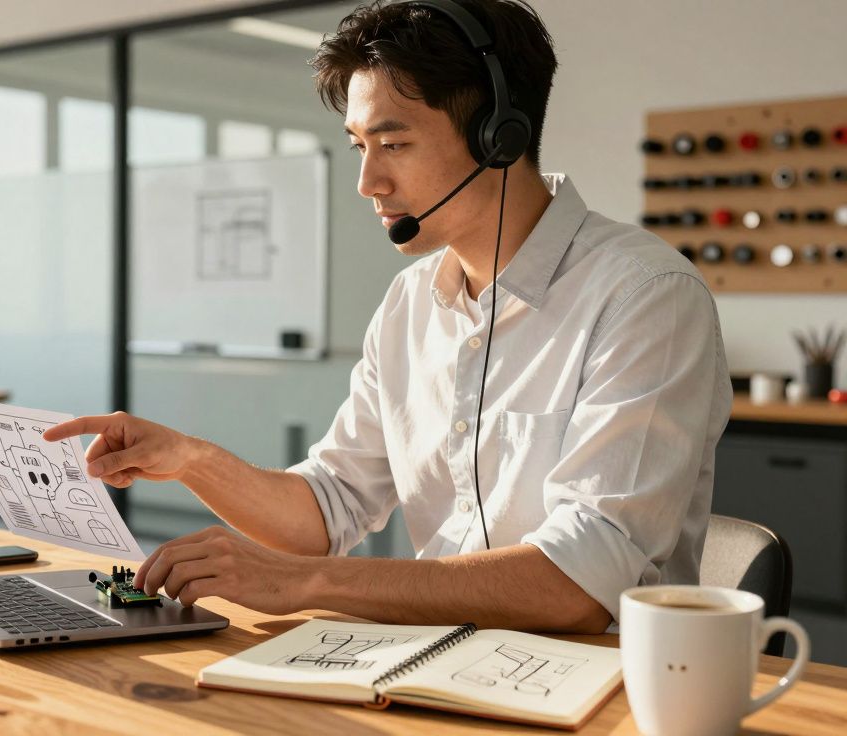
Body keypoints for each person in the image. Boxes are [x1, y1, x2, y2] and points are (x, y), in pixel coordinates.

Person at [44, 0, 730, 633]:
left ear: (499, 136)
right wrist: (190, 459)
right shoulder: (410, 304)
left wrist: (306, 582)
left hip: (592, 685)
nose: (368, 182)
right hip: (426, 660)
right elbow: (329, 508)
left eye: (393, 144)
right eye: (358, 146)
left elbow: (582, 581)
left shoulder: (646, 295)